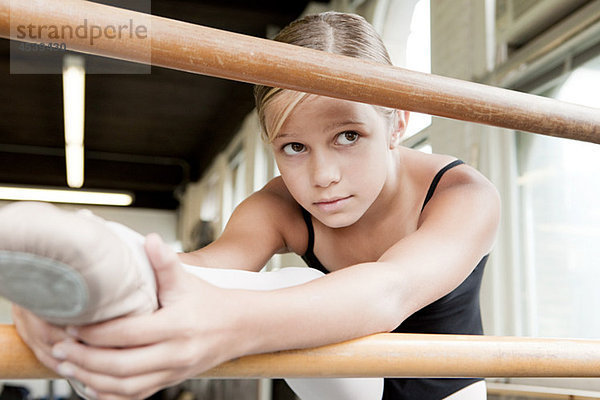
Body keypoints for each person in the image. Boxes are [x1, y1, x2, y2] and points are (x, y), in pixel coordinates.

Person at [6, 11, 500, 400]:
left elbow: (386, 293)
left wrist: (223, 326)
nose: (323, 176)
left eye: (348, 135)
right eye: (294, 147)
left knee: (296, 283)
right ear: (270, 143)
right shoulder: (280, 204)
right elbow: (202, 271)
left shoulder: (462, 194)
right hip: (348, 383)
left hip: (447, 393)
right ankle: (109, 270)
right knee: (260, 283)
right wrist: (74, 299)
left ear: (397, 124)